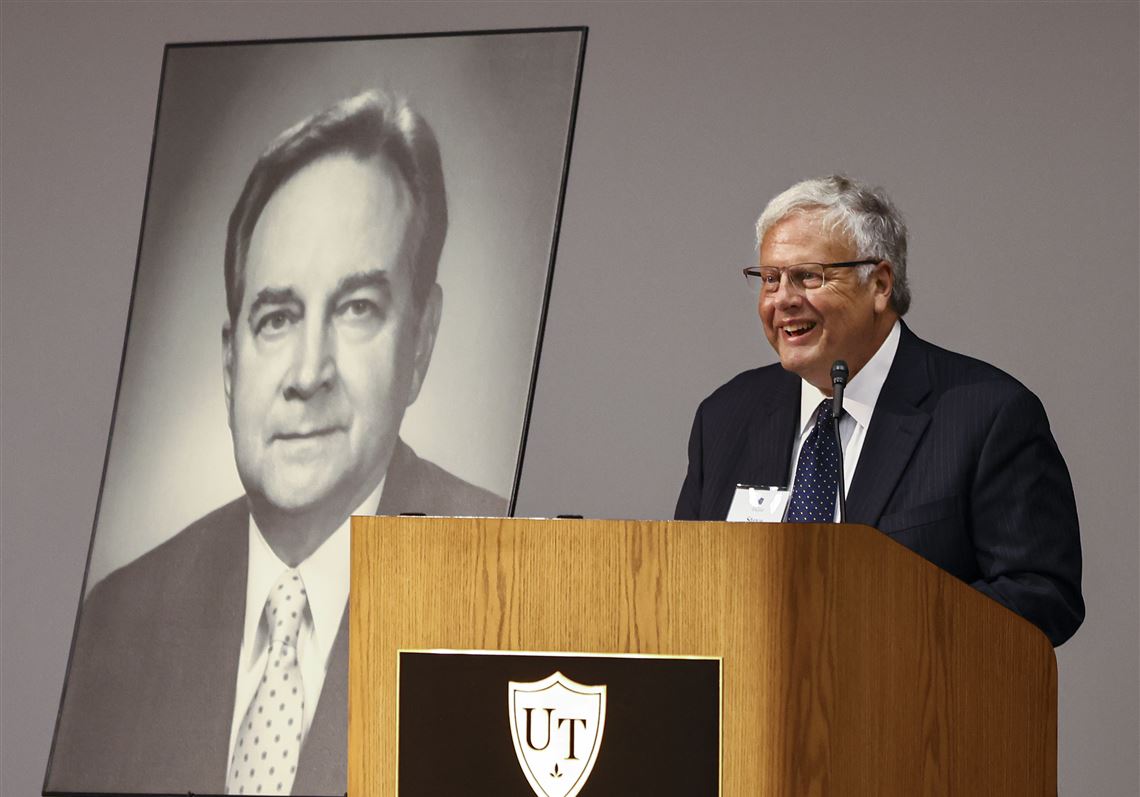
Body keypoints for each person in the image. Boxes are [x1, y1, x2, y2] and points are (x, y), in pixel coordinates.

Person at [48, 90, 505, 796]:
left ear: (421, 340)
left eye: (357, 308)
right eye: (276, 317)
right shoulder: (116, 623)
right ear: (231, 364)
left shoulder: (513, 577)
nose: (307, 373)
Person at [675, 175, 1083, 647]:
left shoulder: (987, 414)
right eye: (770, 279)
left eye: (808, 276)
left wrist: (880, 632)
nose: (783, 299)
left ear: (880, 284)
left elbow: (1042, 594)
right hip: (749, 710)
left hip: (911, 711)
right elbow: (688, 587)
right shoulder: (726, 417)